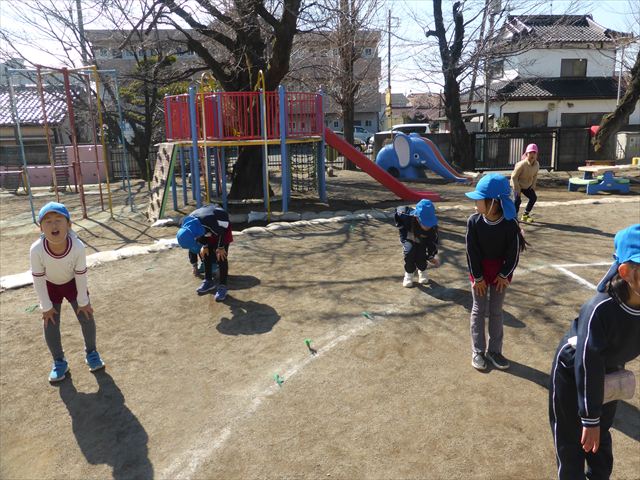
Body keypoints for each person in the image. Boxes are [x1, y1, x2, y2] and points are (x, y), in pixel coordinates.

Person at [549, 224, 640, 480]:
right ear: (626, 272)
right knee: (572, 443)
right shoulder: (600, 309)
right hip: (573, 372)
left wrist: (595, 422)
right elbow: (588, 362)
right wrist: (589, 418)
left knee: (601, 438)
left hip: (610, 370)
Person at [30, 202, 105, 383]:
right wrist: (46, 306)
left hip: (73, 283)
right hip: (50, 285)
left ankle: (92, 353)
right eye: (48, 221)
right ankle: (59, 361)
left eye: (58, 220)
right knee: (50, 322)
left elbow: (81, 275)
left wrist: (83, 301)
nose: (53, 225)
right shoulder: (36, 249)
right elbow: (38, 280)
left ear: (69, 225)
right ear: (41, 228)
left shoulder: (77, 246)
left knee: (86, 315)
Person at [465, 173, 526, 371]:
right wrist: (478, 278)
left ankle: (494, 351)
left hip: (500, 275)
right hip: (479, 273)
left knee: (496, 311)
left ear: (494, 202)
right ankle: (478, 351)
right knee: (478, 310)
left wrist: (504, 274)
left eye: (479, 199)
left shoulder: (510, 224)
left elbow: (513, 253)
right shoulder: (473, 222)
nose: (475, 203)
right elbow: (471, 252)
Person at [177, 203, 233, 301]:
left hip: (221, 227)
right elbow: (199, 237)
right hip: (207, 229)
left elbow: (221, 232)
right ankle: (208, 281)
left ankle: (222, 286)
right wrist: (205, 246)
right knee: (206, 253)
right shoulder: (187, 225)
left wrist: (220, 247)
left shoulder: (208, 223)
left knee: (221, 256)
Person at [394, 199, 440, 287]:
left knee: (421, 256)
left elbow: (432, 243)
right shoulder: (405, 215)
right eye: (425, 223)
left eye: (429, 223)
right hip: (409, 237)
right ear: (417, 217)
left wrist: (431, 256)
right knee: (409, 253)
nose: (428, 226)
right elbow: (398, 212)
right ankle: (409, 274)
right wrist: (401, 229)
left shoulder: (433, 229)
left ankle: (422, 271)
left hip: (423, 241)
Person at [510, 143, 540, 223]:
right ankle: (514, 217)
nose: (532, 155)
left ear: (537, 154)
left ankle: (525, 215)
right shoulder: (521, 164)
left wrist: (533, 184)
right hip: (517, 184)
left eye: (534, 153)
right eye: (530, 153)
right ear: (526, 154)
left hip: (527, 185)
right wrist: (517, 188)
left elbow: (535, 175)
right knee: (517, 201)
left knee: (533, 198)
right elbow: (514, 177)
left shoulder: (537, 164)